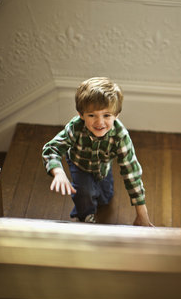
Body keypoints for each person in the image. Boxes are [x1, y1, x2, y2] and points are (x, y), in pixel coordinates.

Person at [42, 77, 153, 226]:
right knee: (85, 193)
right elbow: (51, 148)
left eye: (106, 115)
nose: (100, 122)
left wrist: (142, 214)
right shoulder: (75, 128)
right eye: (92, 115)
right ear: (81, 115)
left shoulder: (120, 136)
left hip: (103, 166)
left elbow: (131, 172)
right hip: (79, 163)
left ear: (116, 115)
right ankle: (85, 216)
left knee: (105, 198)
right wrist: (58, 172)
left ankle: (98, 196)